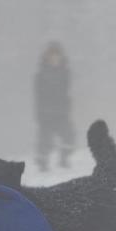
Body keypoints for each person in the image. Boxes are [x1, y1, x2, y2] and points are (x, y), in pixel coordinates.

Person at [34, 41, 75, 171]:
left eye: (57, 55)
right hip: (45, 113)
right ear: (47, 57)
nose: (54, 58)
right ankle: (42, 162)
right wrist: (39, 113)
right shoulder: (41, 74)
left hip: (62, 112)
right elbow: (38, 96)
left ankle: (64, 158)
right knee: (45, 140)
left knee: (69, 136)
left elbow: (67, 92)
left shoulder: (65, 72)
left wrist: (67, 107)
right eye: (52, 56)